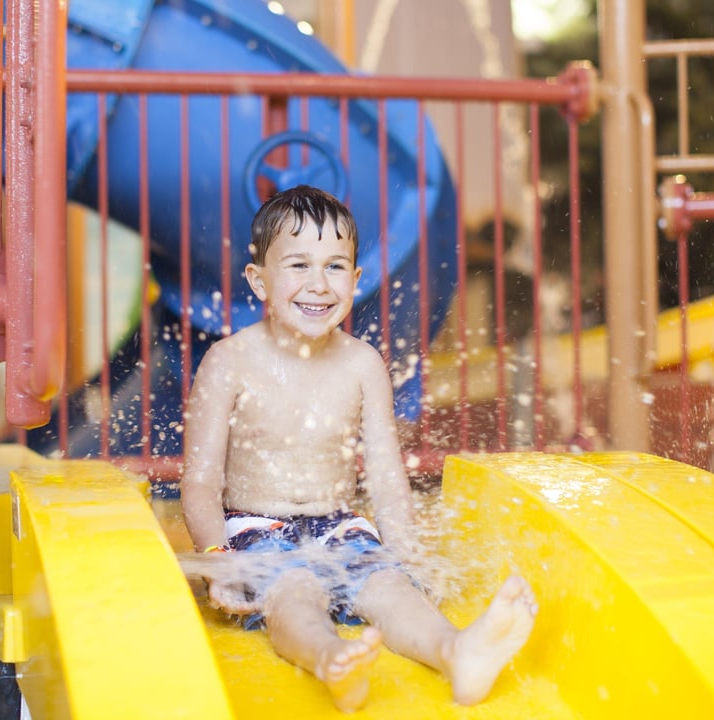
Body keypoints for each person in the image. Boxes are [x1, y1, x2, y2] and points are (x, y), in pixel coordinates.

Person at [181, 184, 538, 712]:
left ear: (356, 280)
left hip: (341, 524)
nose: (318, 285)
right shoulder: (229, 361)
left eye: (334, 267)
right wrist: (217, 556)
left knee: (391, 587)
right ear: (259, 280)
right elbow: (201, 479)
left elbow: (389, 479)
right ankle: (330, 658)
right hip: (256, 528)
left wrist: (409, 553)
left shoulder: (362, 364)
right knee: (294, 590)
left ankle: (456, 650)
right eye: (299, 266)